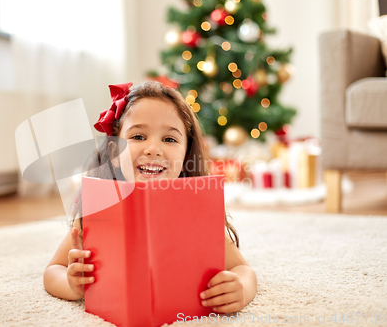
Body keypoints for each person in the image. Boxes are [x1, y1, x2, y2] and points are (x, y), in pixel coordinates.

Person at [43, 81, 257, 314]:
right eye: (138, 136)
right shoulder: (98, 209)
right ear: (114, 152)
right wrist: (71, 284)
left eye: (169, 139)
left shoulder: (198, 210)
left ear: (186, 154)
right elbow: (54, 269)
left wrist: (241, 290)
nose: (153, 148)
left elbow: (243, 270)